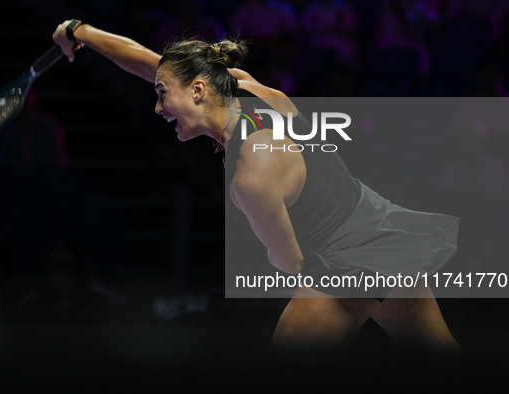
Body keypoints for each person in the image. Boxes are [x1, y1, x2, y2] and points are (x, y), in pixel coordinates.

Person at [52, 20, 460, 353]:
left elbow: (291, 263)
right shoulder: (240, 87)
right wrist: (81, 31)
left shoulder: (252, 175)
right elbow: (151, 65)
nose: (157, 107)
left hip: (344, 261)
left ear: (198, 91)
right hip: (377, 224)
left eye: (162, 96)